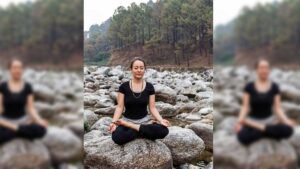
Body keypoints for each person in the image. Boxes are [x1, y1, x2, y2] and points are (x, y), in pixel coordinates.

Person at [108, 57, 170, 145]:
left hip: (144, 121)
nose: (139, 70)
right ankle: (144, 131)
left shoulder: (149, 87)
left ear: (145, 69)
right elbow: (119, 107)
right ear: (131, 69)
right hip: (127, 121)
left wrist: (161, 120)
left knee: (164, 131)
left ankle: (134, 128)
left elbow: (152, 108)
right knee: (117, 137)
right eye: (136, 68)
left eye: (141, 68)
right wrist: (113, 123)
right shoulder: (123, 87)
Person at [235, 59, 295, 145]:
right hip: (253, 121)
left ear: (269, 70)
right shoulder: (249, 87)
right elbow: (245, 107)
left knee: (288, 130)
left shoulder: (274, 87)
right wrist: (239, 121)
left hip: (269, 121)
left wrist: (286, 120)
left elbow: (278, 108)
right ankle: (269, 132)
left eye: (266, 68)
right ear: (256, 70)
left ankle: (262, 129)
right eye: (261, 67)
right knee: (242, 136)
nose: (264, 70)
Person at [0, 59, 48, 144]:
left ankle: (15, 131)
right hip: (5, 121)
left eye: (19, 68)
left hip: (23, 121)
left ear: (22, 70)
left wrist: (39, 120)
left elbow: (31, 108)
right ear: (9, 70)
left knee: (42, 130)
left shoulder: (27, 86)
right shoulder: (2, 86)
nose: (17, 70)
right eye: (14, 67)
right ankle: (23, 132)